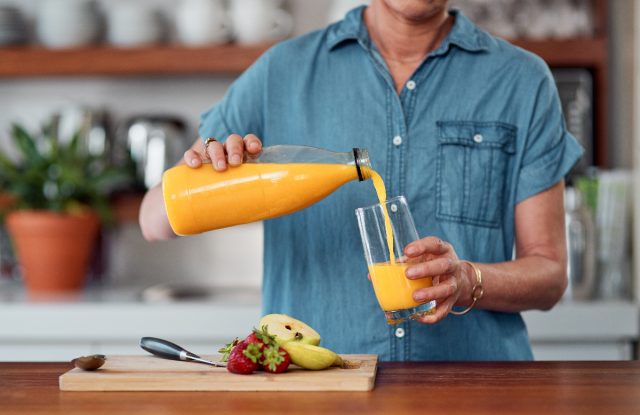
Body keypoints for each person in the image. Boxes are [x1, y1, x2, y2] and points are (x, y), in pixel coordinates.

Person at [140, 0, 582, 361]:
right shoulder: (281, 73)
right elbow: (153, 221)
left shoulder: (521, 81)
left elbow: (549, 275)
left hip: (475, 399)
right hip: (316, 403)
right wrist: (206, 170)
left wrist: (468, 279)